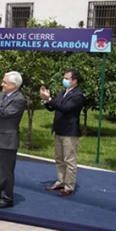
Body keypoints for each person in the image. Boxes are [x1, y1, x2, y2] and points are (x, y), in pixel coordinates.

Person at [0, 71, 26, 209]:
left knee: (6, 171)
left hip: (8, 140)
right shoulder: (4, 95)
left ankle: (7, 198)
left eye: (5, 82)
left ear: (14, 85)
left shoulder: (19, 99)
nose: (2, 84)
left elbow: (4, 112)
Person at [39, 68, 85, 197]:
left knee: (69, 160)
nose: (64, 80)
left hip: (70, 131)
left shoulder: (77, 95)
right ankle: (61, 181)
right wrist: (45, 100)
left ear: (74, 81)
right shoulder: (62, 93)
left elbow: (65, 108)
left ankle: (69, 186)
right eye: (64, 78)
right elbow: (53, 107)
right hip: (59, 130)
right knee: (59, 158)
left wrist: (50, 99)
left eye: (67, 78)